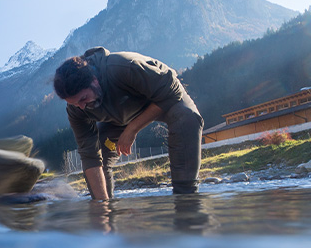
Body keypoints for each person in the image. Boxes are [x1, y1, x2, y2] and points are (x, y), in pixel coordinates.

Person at [54, 47, 203, 200]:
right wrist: (102, 209)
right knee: (100, 154)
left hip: (162, 98)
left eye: (83, 99)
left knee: (187, 118)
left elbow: (172, 91)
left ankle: (186, 199)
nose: (81, 107)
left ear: (94, 80)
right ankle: (107, 207)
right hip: (118, 118)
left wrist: (132, 129)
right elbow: (89, 156)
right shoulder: (77, 109)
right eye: (74, 104)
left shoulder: (124, 66)